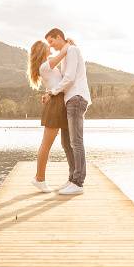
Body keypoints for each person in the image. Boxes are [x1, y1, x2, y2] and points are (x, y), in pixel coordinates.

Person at [42, 27, 91, 195]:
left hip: (76, 99)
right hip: (69, 101)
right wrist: (51, 92)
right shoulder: (66, 53)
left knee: (76, 141)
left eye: (51, 41)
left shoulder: (72, 50)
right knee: (66, 143)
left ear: (59, 37)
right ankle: (72, 178)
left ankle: (78, 182)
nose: (51, 45)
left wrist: (52, 92)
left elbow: (69, 78)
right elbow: (62, 79)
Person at [26, 37, 75, 193]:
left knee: (61, 143)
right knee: (46, 145)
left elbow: (57, 81)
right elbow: (61, 55)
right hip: (55, 105)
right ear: (42, 51)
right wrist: (67, 44)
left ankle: (68, 177)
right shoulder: (45, 66)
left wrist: (48, 93)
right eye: (47, 45)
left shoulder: (48, 66)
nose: (50, 47)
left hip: (58, 102)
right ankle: (39, 179)